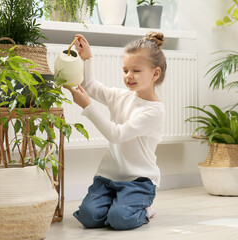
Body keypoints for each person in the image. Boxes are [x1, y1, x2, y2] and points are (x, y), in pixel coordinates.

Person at [65, 32, 167, 230]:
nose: (129, 75)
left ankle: (141, 209)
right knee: (88, 217)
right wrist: (87, 58)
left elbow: (116, 134)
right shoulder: (120, 96)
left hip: (138, 181)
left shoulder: (154, 111)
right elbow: (90, 86)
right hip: (108, 178)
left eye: (136, 70)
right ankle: (117, 206)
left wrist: (87, 106)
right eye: (125, 70)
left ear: (155, 74)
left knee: (120, 219)